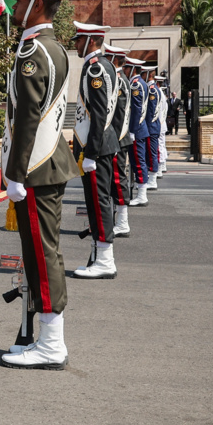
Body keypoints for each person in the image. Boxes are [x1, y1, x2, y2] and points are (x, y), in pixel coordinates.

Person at [0, 0, 79, 369]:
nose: (14, 6)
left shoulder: (33, 54)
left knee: (43, 256)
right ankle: (46, 339)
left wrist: (15, 173)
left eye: (20, 0)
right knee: (40, 252)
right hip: (46, 165)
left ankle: (51, 345)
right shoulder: (54, 48)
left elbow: (28, 118)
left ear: (37, 5)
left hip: (36, 168)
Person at [70, 23, 119, 280]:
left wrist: (90, 153)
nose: (75, 44)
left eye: (78, 40)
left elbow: (100, 114)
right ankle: (99, 255)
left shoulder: (96, 68)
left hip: (96, 150)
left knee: (98, 203)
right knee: (98, 202)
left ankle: (105, 261)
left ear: (90, 40)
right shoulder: (106, 64)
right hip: (102, 146)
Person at [103, 46, 133, 237]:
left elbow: (119, 115)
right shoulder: (119, 79)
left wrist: (115, 140)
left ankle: (122, 222)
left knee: (117, 178)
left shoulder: (120, 82)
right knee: (114, 180)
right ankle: (116, 219)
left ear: (113, 59)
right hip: (117, 138)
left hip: (118, 139)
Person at [125, 58, 150, 207]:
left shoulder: (136, 85)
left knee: (139, 162)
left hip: (137, 130)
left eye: (126, 68)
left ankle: (142, 196)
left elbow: (137, 110)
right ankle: (140, 192)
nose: (124, 70)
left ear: (133, 69)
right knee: (137, 162)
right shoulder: (140, 83)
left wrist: (133, 130)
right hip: (139, 129)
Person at [143, 66, 162, 190]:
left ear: (149, 74)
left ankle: (153, 179)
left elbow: (150, 111)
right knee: (150, 153)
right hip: (152, 127)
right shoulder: (153, 88)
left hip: (151, 127)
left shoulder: (152, 90)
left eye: (143, 73)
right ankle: (151, 177)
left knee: (151, 154)